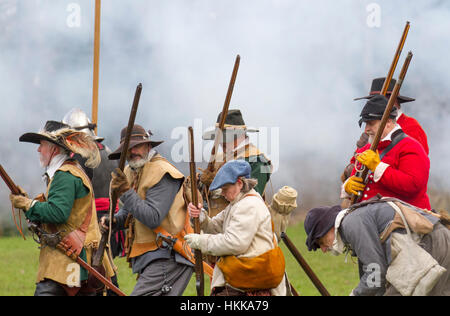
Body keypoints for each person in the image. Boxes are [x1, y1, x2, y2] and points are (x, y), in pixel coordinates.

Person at [9, 120, 114, 296]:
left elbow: (57, 213)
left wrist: (28, 205)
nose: (38, 150)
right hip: (75, 259)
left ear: (54, 149)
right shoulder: (68, 171)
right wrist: (29, 202)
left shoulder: (64, 175)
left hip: (70, 261)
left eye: (42, 145)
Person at [100, 124, 194, 296]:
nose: (132, 152)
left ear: (148, 146)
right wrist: (115, 220)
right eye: (128, 148)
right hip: (154, 256)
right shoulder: (132, 170)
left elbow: (152, 217)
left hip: (169, 255)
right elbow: (130, 211)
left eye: (137, 146)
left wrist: (126, 192)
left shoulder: (163, 172)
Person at [304, 198, 450, 296]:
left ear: (326, 228)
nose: (323, 249)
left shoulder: (351, 224)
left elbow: (376, 273)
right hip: (435, 243)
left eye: (320, 242)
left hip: (433, 245)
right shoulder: (351, 222)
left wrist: (355, 294)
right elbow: (374, 278)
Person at [185, 160, 287, 296]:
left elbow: (234, 243)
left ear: (239, 183)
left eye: (225, 188)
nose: (222, 193)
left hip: (248, 283)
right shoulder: (238, 203)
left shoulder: (248, 205)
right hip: (242, 279)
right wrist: (200, 216)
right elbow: (214, 226)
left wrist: (201, 241)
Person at [341, 95, 431, 210]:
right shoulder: (366, 150)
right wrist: (348, 187)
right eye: (365, 124)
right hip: (367, 212)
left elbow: (412, 185)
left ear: (388, 122)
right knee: (318, 214)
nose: (366, 129)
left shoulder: (411, 147)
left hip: (403, 213)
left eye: (371, 123)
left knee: (359, 218)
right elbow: (356, 182)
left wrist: (377, 167)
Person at [62, 108, 124, 259]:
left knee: (95, 276)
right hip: (110, 220)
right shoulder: (109, 152)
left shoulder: (76, 157)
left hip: (90, 225)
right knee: (106, 272)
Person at [342, 77, 429, 182]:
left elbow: (417, 169)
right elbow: (355, 165)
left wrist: (377, 167)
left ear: (394, 101)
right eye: (373, 100)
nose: (375, 104)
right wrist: (351, 172)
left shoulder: (412, 127)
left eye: (381, 99)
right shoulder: (372, 128)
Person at [201, 109, 272, 217]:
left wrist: (217, 187)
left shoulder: (260, 161)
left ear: (239, 135)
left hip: (243, 222)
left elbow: (250, 199)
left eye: (225, 138)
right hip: (217, 223)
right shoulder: (220, 158)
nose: (220, 142)